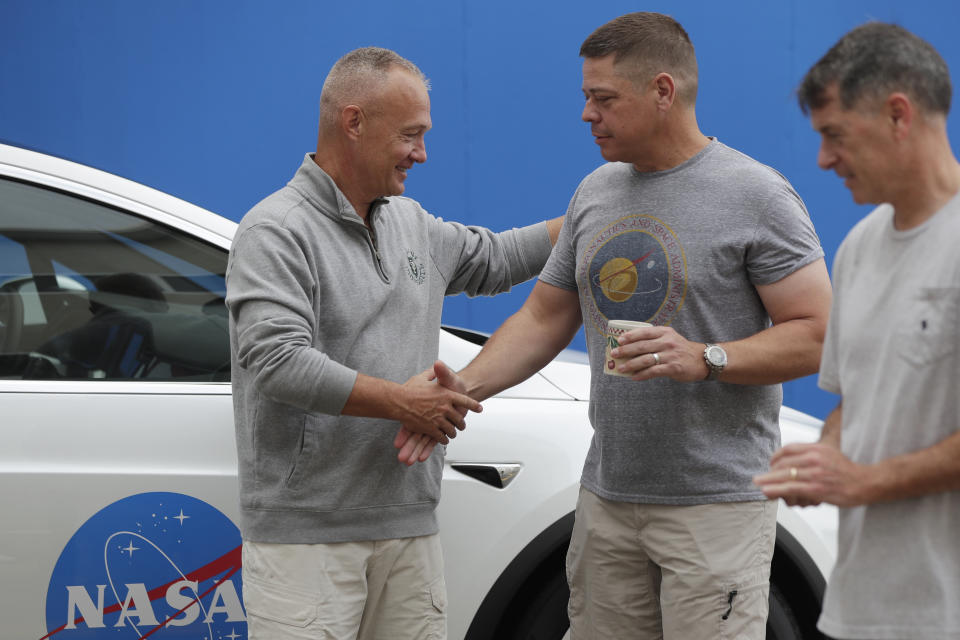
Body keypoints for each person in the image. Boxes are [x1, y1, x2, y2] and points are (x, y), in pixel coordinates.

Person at [399, 12, 831, 639]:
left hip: (716, 505)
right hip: (608, 497)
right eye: (585, 98)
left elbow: (818, 330)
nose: (586, 114)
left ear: (663, 90)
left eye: (603, 99)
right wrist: (459, 389)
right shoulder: (596, 191)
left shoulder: (756, 195)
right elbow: (545, 316)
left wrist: (706, 357)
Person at [225, 46, 562, 640]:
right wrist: (402, 403)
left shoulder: (410, 222)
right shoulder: (275, 230)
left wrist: (595, 212)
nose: (422, 153)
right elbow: (276, 361)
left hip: (409, 529)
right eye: (411, 134)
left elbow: (498, 258)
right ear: (354, 122)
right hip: (307, 543)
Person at [754, 22, 960, 640]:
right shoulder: (860, 247)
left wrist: (864, 480)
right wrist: (827, 458)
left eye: (834, 135)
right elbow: (853, 397)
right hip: (860, 607)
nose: (822, 159)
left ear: (899, 114)